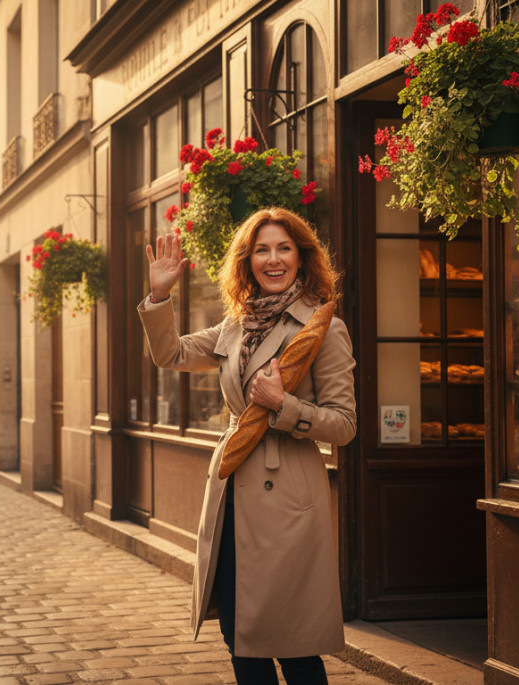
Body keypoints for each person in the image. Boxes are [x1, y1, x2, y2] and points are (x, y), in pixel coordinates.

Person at [139, 207, 357, 684]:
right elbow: (171, 353)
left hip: (289, 502)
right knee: (238, 636)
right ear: (248, 261)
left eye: (284, 249)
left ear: (302, 258)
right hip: (232, 495)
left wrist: (284, 406)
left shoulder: (324, 328)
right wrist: (160, 295)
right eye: (262, 250)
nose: (273, 259)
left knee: (293, 644)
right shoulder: (235, 326)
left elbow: (344, 426)